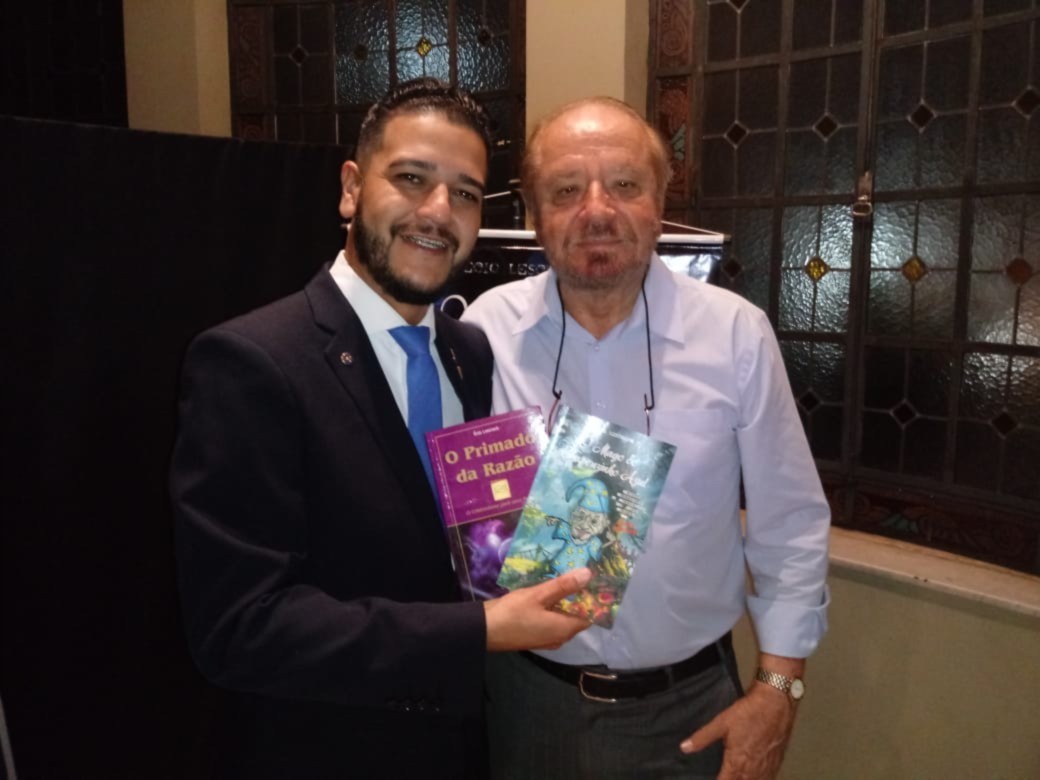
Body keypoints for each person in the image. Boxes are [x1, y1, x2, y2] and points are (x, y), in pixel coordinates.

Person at [169, 78, 591, 780]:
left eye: (464, 193)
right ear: (350, 189)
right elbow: (240, 627)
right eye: (411, 178)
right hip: (329, 751)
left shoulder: (469, 352)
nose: (438, 211)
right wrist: (480, 630)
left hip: (464, 744)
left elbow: (463, 542)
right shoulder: (252, 362)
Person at [461, 96, 830, 779]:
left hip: (689, 710)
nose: (596, 210)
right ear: (534, 215)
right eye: (565, 191)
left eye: (625, 184)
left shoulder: (735, 335)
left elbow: (791, 523)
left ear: (659, 203)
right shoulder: (485, 331)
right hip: (522, 701)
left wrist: (779, 689)